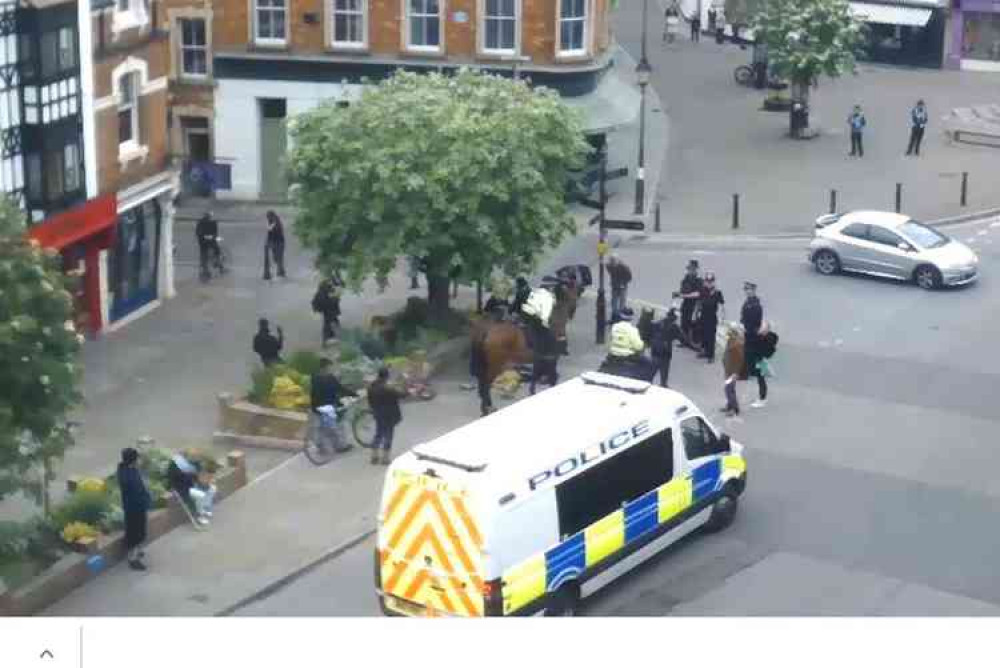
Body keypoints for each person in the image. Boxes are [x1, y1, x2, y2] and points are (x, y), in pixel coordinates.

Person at [310, 358, 357, 453]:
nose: (331, 368)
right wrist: (353, 394)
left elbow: (313, 392)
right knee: (335, 426)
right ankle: (339, 446)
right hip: (328, 406)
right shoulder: (330, 378)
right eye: (330, 366)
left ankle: (321, 447)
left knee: (320, 428)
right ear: (326, 367)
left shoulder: (314, 377)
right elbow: (340, 389)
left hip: (316, 406)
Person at [117, 447, 151, 571]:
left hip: (134, 507)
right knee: (135, 534)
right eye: (137, 458)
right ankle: (133, 559)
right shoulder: (128, 475)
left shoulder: (127, 470)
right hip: (134, 509)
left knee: (137, 532)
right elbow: (137, 491)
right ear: (133, 460)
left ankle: (137, 552)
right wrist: (145, 501)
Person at [367, 367, 404, 465]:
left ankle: (374, 456)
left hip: (378, 413)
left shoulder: (371, 387)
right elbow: (400, 395)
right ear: (387, 376)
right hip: (389, 414)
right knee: (388, 435)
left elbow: (370, 401)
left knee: (378, 433)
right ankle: (385, 458)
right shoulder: (388, 388)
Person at [167, 451, 216, 525]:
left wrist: (205, 481)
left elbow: (198, 475)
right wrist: (196, 479)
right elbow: (181, 480)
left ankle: (205, 508)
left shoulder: (193, 463)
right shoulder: (174, 466)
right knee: (201, 495)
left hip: (193, 485)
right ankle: (200, 516)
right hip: (182, 489)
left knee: (212, 488)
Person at [740, 281, 767, 408]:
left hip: (754, 339)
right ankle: (747, 373)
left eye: (749, 289)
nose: (747, 291)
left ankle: (762, 397)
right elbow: (743, 318)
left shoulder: (756, 305)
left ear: (754, 290)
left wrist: (746, 328)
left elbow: (755, 323)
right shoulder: (748, 302)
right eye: (746, 289)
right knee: (751, 364)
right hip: (749, 338)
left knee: (758, 369)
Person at [649, 308, 684, 388]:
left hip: (655, 349)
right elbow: (683, 339)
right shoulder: (674, 327)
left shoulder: (657, 323)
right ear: (674, 318)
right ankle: (663, 384)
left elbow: (650, 333)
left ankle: (648, 382)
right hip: (665, 351)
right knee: (664, 369)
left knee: (652, 369)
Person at [697, 273, 725, 363]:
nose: (709, 283)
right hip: (703, 316)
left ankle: (711, 355)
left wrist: (723, 317)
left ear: (714, 282)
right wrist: (696, 313)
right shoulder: (702, 290)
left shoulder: (717, 292)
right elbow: (699, 302)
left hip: (712, 317)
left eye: (711, 281)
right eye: (707, 281)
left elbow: (722, 305)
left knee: (710, 337)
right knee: (703, 334)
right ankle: (704, 351)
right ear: (705, 282)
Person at [678, 260, 703, 349]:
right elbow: (682, 291)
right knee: (684, 322)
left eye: (692, 269)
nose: (690, 271)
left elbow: (699, 293)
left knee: (693, 323)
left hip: (695, 304)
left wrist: (684, 295)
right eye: (689, 269)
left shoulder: (699, 280)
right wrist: (679, 294)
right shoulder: (685, 280)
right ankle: (684, 341)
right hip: (686, 304)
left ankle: (694, 342)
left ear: (696, 270)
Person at [721, 326, 744, 417]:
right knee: (730, 389)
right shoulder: (730, 342)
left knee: (728, 390)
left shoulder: (736, 345)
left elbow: (740, 360)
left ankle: (734, 409)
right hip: (728, 370)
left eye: (729, 334)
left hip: (732, 372)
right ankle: (730, 405)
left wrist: (736, 373)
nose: (727, 335)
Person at [311, 279, 342, 346]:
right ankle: (327, 341)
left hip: (327, 313)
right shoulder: (325, 295)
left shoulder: (320, 293)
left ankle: (329, 340)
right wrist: (336, 298)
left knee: (331, 324)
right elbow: (331, 303)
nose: (331, 286)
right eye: (330, 285)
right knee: (330, 326)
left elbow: (315, 303)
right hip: (329, 313)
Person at [469, 328, 492, 416]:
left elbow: (473, 359)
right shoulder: (483, 344)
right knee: (484, 390)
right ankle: (486, 407)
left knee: (483, 390)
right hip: (484, 370)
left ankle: (486, 407)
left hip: (481, 370)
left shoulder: (475, 343)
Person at [196, 212, 222, 279]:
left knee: (216, 251)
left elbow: (215, 232)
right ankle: (209, 270)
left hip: (207, 241)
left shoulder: (211, 222)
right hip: (205, 241)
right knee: (206, 255)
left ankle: (219, 265)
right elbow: (199, 233)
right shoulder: (202, 223)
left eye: (209, 216)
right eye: (208, 216)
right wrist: (207, 237)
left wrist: (214, 237)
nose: (209, 218)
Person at [607, 255, 632, 320]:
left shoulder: (623, 267)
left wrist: (623, 283)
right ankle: (615, 314)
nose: (612, 263)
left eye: (614, 261)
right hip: (615, 286)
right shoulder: (609, 266)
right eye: (611, 261)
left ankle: (620, 313)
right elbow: (611, 273)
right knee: (614, 300)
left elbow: (629, 276)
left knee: (622, 300)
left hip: (622, 286)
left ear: (617, 261)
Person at [263, 210, 286, 280]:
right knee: (276, 258)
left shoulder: (277, 222)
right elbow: (269, 232)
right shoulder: (270, 221)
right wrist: (267, 243)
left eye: (269, 217)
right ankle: (278, 271)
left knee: (278, 258)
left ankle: (280, 271)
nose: (268, 218)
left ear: (273, 216)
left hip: (279, 242)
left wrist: (268, 243)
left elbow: (271, 230)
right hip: (274, 242)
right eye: (267, 217)